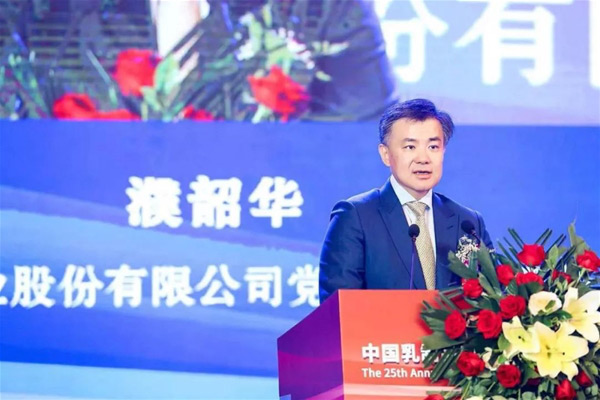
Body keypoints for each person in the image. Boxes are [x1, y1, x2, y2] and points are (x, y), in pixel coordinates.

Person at [319, 98, 493, 302]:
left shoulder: (468, 222)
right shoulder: (355, 217)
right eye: (410, 147)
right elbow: (338, 307)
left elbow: (494, 297)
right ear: (385, 154)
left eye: (433, 147)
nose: (423, 158)